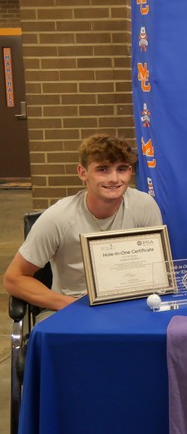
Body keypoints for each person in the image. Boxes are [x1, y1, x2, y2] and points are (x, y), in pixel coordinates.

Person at [2, 134, 163, 319]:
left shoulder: (144, 205)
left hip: (132, 303)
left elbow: (155, 269)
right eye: (102, 169)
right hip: (74, 305)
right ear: (82, 173)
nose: (114, 178)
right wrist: (68, 304)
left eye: (122, 169)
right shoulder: (57, 217)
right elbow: (14, 278)